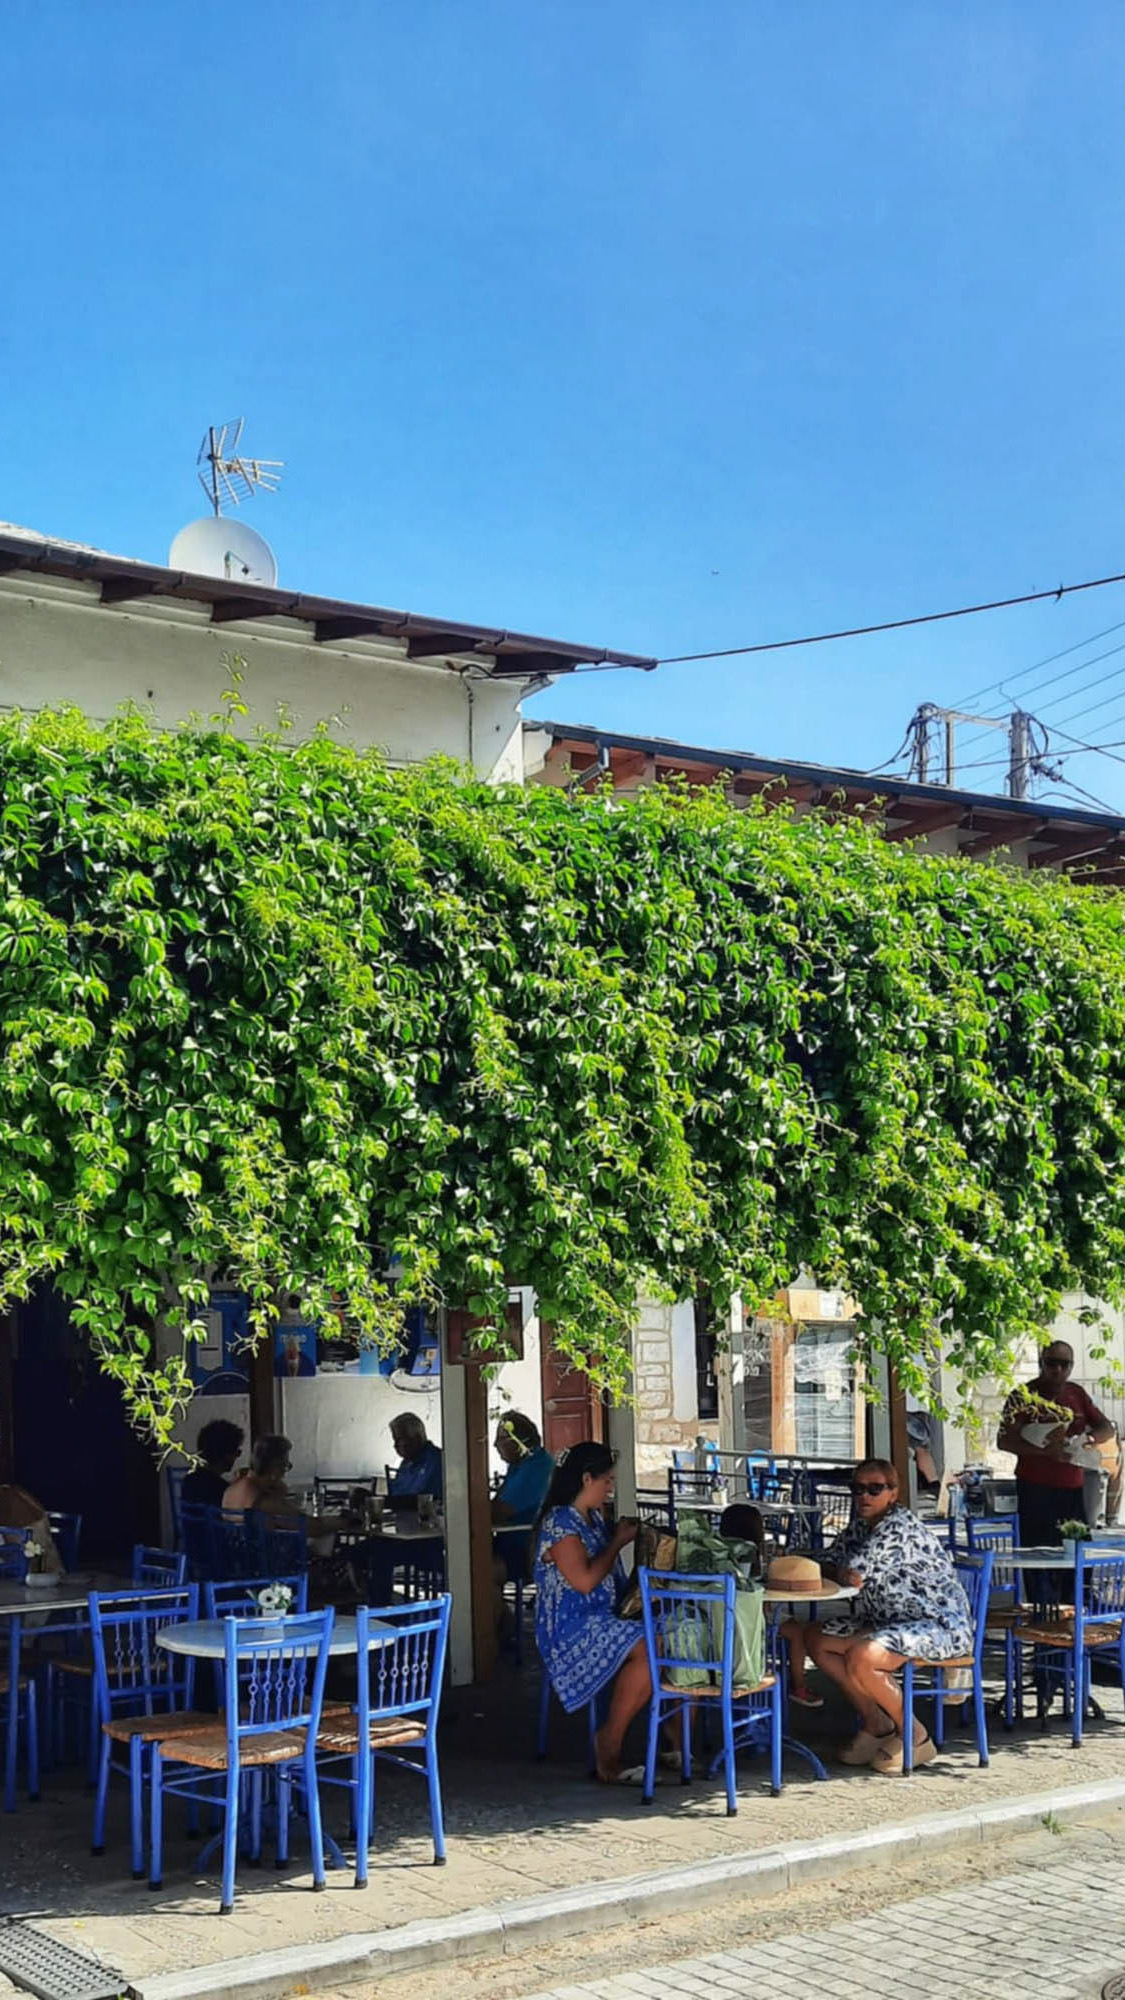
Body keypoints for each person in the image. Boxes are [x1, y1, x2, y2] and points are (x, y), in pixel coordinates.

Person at [799, 1458, 974, 1772]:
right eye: (858, 1489)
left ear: (893, 1493)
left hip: (935, 1623)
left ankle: (915, 1735)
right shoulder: (860, 1526)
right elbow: (824, 1561)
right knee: (816, 1638)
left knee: (864, 1657)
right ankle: (876, 1724)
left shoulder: (897, 1527)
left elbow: (855, 1573)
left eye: (874, 1489)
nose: (864, 1496)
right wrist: (833, 1569)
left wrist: (837, 1570)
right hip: (887, 1622)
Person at [533, 1441, 651, 1784]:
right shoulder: (560, 1524)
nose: (610, 1488)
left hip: (604, 1616)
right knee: (647, 1650)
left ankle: (675, 1746)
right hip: (571, 1627)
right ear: (587, 1479)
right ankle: (609, 1743)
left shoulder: (594, 1519)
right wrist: (617, 1543)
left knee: (671, 1634)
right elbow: (584, 1581)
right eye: (607, 1481)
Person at [997, 1342, 1115, 1548]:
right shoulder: (1023, 1395)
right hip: (1035, 1487)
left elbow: (1106, 1427)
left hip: (1073, 1488)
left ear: (1071, 1366)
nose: (1057, 1370)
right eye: (1051, 1363)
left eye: (1064, 1364)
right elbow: (1004, 1440)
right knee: (1038, 1553)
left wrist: (1089, 1439)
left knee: (1076, 1553)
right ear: (1042, 1363)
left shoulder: (1076, 1393)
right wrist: (1044, 1452)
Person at [492, 1413, 554, 1528]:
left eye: (501, 1439)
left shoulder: (537, 1467)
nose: (495, 1444)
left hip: (525, 1543)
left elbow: (499, 1512)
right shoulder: (517, 1464)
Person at [223, 1434, 300, 1516]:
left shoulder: (232, 1489)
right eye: (285, 1465)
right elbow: (305, 1523)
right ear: (274, 1466)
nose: (284, 1472)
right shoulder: (263, 1501)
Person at [181, 1420, 244, 1511]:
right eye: (237, 1453)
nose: (237, 1457)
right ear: (226, 1454)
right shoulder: (220, 1489)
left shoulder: (189, 1480)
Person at [388, 1413, 443, 1503]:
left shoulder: (436, 1461)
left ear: (416, 1438)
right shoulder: (405, 1464)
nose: (395, 1445)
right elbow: (396, 1497)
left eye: (399, 1439)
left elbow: (425, 1500)